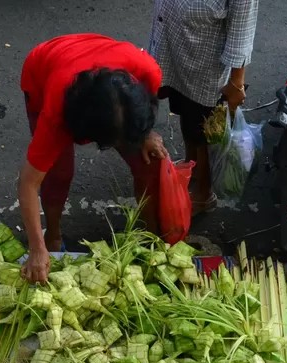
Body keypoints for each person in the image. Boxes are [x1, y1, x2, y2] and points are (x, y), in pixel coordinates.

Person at [19, 34, 170, 284]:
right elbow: (28, 183)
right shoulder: (57, 110)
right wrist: (36, 248)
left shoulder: (147, 71)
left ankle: (152, 236)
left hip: (93, 61)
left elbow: (148, 104)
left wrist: (145, 133)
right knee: (59, 173)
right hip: (44, 68)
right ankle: (54, 237)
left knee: (148, 160)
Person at [149, 0, 259, 214]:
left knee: (204, 131)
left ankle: (203, 192)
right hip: (174, 50)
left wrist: (237, 81)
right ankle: (192, 167)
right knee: (185, 113)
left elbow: (241, 30)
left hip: (206, 67)